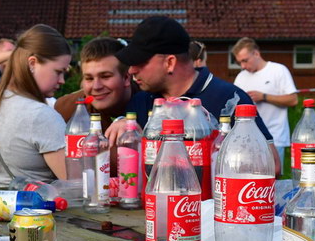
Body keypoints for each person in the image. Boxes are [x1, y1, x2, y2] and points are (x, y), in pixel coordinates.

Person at [108, 16, 281, 174]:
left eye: (140, 62)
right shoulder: (141, 100)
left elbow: (272, 165)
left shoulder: (231, 98)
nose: (132, 70)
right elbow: (123, 174)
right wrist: (122, 129)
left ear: (170, 63)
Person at [0, 24, 71, 187]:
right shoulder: (41, 115)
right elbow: (77, 185)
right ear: (32, 63)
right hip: (34, 203)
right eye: (58, 72)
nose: (62, 81)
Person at [232, 37, 298, 173]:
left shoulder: (278, 70)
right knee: (249, 177)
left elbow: (293, 100)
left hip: (275, 137)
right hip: (248, 141)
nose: (243, 66)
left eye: (245, 60)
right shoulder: (240, 77)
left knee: (272, 177)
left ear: (256, 53)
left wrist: (264, 97)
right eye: (239, 62)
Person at [55, 37, 133, 131]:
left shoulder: (148, 103)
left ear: (126, 78)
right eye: (89, 78)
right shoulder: (66, 110)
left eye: (105, 76)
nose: (96, 86)